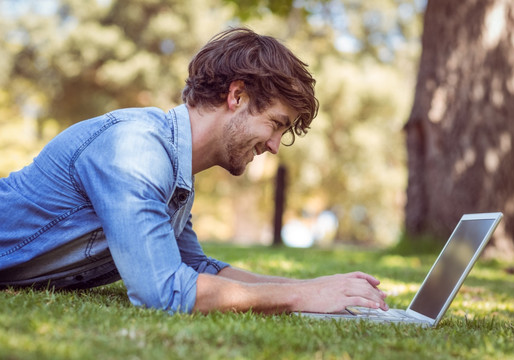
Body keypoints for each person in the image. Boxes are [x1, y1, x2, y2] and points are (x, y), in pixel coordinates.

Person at [0, 27, 388, 314]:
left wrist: (320, 288)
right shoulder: (136, 149)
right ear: (237, 96)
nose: (273, 146)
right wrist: (304, 297)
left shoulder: (173, 171)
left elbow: (196, 268)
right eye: (275, 123)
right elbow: (164, 291)